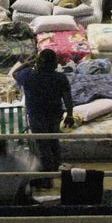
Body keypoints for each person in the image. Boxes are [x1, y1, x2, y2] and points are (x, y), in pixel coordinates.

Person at [14, 49, 74, 184]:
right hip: (54, 115)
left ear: (38, 63)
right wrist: (69, 114)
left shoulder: (28, 75)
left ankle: (47, 178)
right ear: (54, 64)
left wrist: (27, 63)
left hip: (36, 116)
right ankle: (55, 169)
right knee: (53, 142)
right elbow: (68, 99)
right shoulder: (60, 78)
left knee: (42, 146)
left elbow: (14, 73)